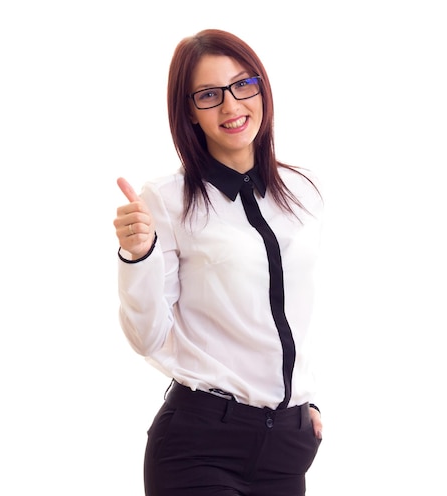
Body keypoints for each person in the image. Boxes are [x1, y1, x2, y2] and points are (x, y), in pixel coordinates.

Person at [113, 28, 324, 496]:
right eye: (209, 95)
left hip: (286, 449)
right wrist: (138, 254)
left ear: (261, 88)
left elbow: (292, 314)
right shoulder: (166, 201)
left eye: (242, 85)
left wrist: (305, 400)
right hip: (201, 445)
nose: (231, 107)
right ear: (189, 110)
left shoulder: (302, 192)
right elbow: (146, 335)